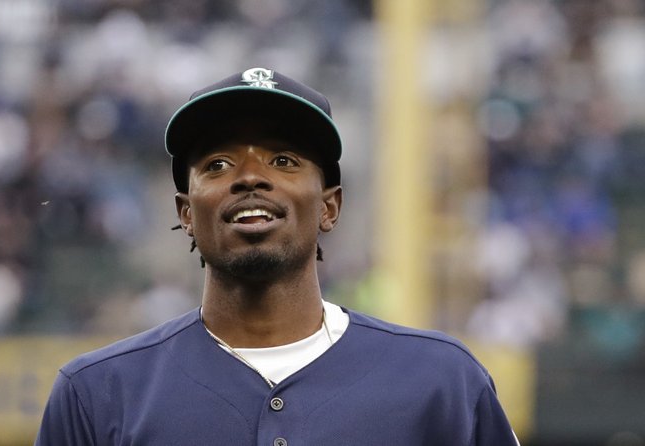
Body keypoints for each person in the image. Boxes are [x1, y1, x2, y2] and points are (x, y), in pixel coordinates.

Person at [35, 67, 520, 445]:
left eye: (283, 160)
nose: (249, 177)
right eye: (218, 164)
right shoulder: (97, 394)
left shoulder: (443, 381)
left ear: (330, 206)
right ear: (185, 212)